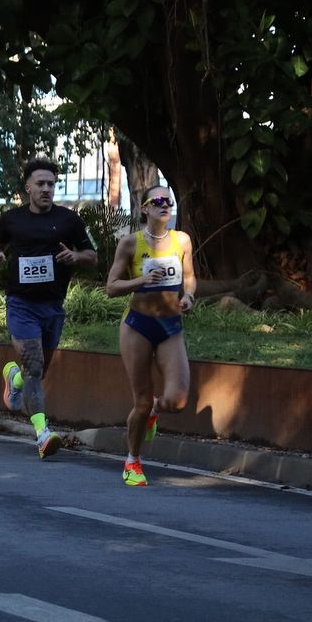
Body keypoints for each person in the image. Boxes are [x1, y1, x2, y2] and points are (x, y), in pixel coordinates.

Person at [0, 158, 100, 460]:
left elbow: (93, 256)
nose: (47, 189)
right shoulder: (12, 219)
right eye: (40, 184)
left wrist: (75, 257)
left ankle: (13, 379)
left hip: (53, 306)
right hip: (22, 304)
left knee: (36, 371)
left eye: (51, 184)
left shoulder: (69, 220)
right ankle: (42, 434)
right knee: (35, 367)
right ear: (27, 188)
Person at [105, 185, 196, 487]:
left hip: (170, 326)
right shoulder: (130, 244)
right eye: (157, 201)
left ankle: (157, 409)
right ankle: (133, 460)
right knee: (140, 403)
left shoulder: (182, 240)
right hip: (138, 326)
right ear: (144, 208)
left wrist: (190, 297)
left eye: (168, 201)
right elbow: (111, 287)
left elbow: (190, 278)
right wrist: (142, 280)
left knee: (178, 400)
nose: (164, 205)